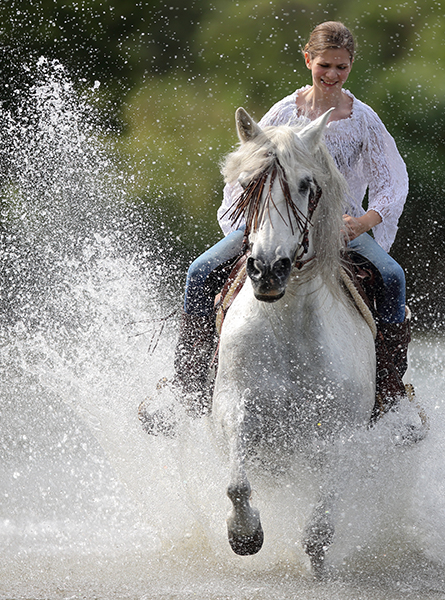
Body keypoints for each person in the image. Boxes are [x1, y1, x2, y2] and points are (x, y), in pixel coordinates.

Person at [171, 21, 411, 422]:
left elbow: (393, 181)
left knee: (392, 276)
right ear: (308, 60)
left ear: (351, 66)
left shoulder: (364, 119)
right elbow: (247, 169)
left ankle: (391, 396)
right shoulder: (284, 113)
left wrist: (361, 223)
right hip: (277, 225)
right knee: (199, 271)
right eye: (325, 66)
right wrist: (253, 223)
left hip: (341, 228)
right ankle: (187, 389)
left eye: (341, 67)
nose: (332, 76)